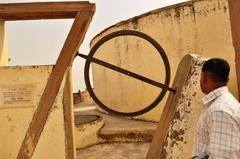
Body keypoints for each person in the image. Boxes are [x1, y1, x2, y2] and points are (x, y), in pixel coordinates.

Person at [192, 58, 240, 158]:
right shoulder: (222, 103)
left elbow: (223, 157)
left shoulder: (219, 110)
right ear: (227, 80)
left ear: (204, 77)